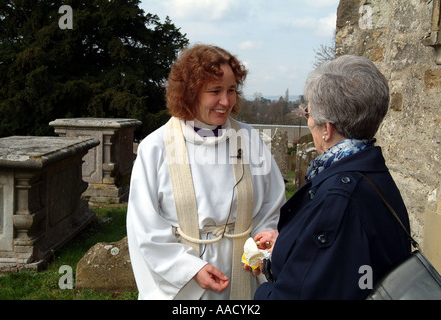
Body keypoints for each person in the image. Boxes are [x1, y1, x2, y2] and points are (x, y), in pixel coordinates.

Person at [126, 44, 285, 300]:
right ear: (190, 93)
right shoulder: (156, 148)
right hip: (186, 278)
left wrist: (263, 242)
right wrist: (190, 269)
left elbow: (272, 205)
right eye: (215, 91)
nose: (226, 101)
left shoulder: (249, 139)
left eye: (231, 90)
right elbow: (144, 226)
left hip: (244, 270)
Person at [254, 55, 412, 300]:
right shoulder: (370, 171)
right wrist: (289, 244)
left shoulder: (338, 199)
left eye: (308, 113)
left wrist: (262, 290)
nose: (307, 121)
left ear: (326, 129)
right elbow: (340, 260)